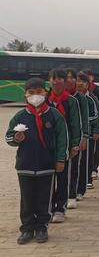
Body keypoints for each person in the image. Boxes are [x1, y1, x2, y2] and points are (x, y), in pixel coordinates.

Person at [5, 78, 68, 244]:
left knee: (44, 198)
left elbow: (62, 139)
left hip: (46, 165)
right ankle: (26, 229)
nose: (35, 96)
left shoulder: (54, 115)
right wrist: (16, 138)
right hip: (25, 165)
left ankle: (41, 227)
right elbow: (8, 137)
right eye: (31, 93)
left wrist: (60, 159)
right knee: (27, 198)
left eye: (39, 92)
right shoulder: (20, 116)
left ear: (45, 92)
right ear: (25, 95)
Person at [46, 68, 81, 223]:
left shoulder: (71, 101)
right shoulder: (45, 99)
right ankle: (47, 208)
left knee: (62, 178)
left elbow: (75, 124)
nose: (55, 81)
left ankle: (60, 208)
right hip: (46, 145)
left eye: (59, 78)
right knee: (47, 179)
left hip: (64, 145)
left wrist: (75, 145)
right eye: (52, 78)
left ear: (64, 81)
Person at [65, 68, 89, 209]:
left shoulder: (80, 98)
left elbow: (84, 119)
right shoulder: (57, 97)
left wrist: (84, 137)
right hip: (61, 138)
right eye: (66, 77)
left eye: (72, 78)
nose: (70, 80)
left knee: (74, 166)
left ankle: (73, 194)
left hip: (76, 137)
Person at [76, 72, 99, 200]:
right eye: (78, 81)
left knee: (87, 158)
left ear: (88, 84)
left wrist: (97, 130)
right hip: (75, 136)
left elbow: (97, 116)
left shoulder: (91, 98)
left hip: (89, 134)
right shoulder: (72, 98)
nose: (80, 84)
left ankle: (86, 182)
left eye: (83, 81)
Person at [83, 68, 99, 180]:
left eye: (89, 76)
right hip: (84, 126)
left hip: (97, 124)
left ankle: (94, 168)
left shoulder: (98, 90)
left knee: (96, 148)